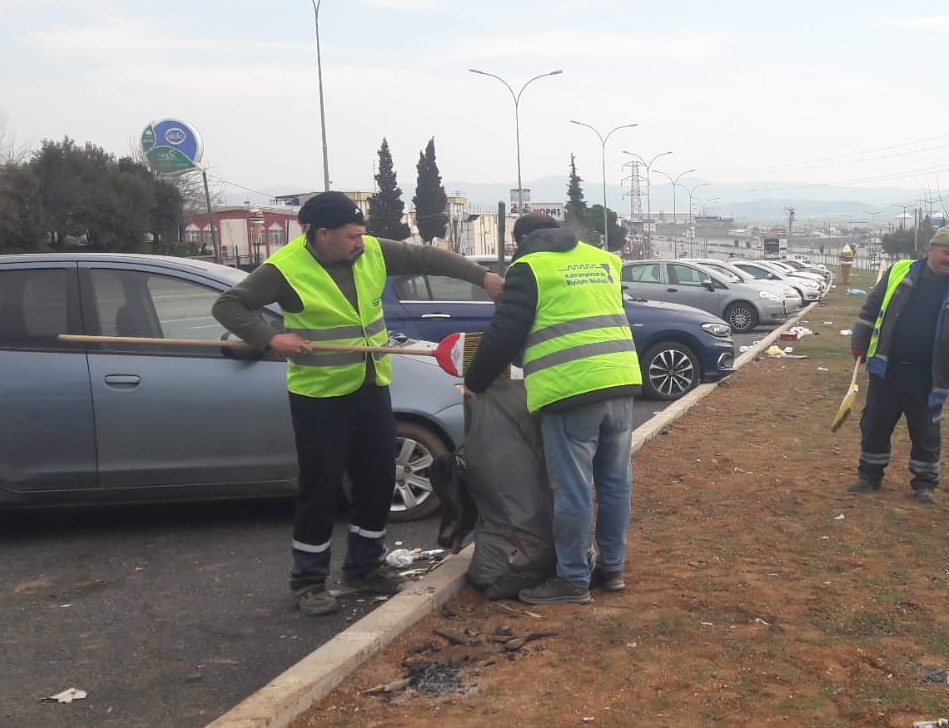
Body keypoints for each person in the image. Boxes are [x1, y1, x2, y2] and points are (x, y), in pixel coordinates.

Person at [213, 191, 505, 615]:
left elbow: (429, 259)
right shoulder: (284, 269)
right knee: (321, 490)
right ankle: (309, 581)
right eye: (352, 236)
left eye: (362, 234)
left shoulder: (373, 252)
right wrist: (272, 338)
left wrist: (483, 278)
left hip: (371, 388)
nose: (361, 243)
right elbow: (229, 305)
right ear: (322, 234)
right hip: (320, 396)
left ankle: (365, 566)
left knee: (377, 481)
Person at [464, 214, 642, 605]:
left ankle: (573, 580)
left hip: (571, 391)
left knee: (574, 492)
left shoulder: (530, 267)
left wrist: (476, 383)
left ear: (524, 239)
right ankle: (612, 569)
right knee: (615, 484)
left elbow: (505, 333)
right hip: (620, 380)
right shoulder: (602, 260)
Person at [848, 225, 949, 504]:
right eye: (947, 252)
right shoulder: (899, 273)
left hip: (929, 375)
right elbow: (871, 309)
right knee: (875, 424)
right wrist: (859, 342)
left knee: (926, 432)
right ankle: (870, 476)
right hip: (888, 368)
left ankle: (925, 484)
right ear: (930, 249)